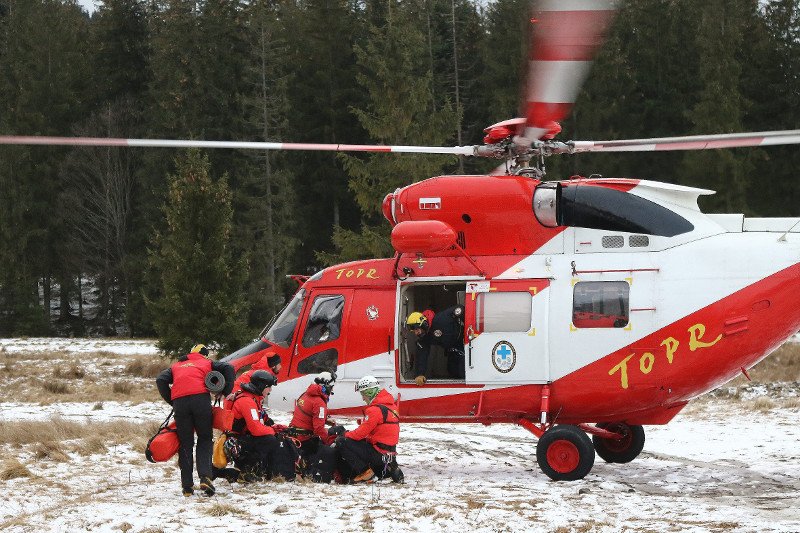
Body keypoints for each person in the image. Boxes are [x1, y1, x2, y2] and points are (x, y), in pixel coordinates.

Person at [156, 343, 235, 497]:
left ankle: (187, 487)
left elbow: (160, 379)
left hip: (180, 403)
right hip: (200, 400)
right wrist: (224, 391)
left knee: (185, 443)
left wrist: (172, 400)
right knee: (205, 438)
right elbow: (229, 368)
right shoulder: (206, 362)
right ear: (204, 355)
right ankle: (205, 477)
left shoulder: (177, 366)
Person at [336, 375, 403, 484]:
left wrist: (345, 434)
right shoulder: (392, 407)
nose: (363, 398)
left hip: (378, 452)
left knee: (342, 442)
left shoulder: (375, 410)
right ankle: (389, 469)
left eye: (363, 394)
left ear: (369, 392)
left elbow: (360, 434)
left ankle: (365, 473)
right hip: (390, 453)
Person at [229, 369, 279, 481]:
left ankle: (253, 468)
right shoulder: (248, 401)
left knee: (269, 438)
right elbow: (255, 429)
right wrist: (272, 431)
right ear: (262, 386)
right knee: (269, 440)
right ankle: (246, 469)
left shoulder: (253, 398)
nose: (270, 390)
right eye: (269, 387)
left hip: (241, 438)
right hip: (236, 442)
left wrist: (272, 426)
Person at [288, 371, 343, 458]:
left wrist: (325, 420)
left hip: (294, 436)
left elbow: (308, 415)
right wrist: (330, 442)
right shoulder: (319, 402)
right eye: (332, 387)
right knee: (332, 453)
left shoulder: (305, 394)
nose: (332, 390)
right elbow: (318, 428)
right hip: (305, 440)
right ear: (326, 387)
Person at [407, 306, 465, 385]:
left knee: (463, 372)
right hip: (452, 350)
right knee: (453, 371)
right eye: (414, 331)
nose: (416, 333)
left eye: (417, 330)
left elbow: (459, 309)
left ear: (423, 324)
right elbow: (422, 355)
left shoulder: (441, 318)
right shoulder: (424, 338)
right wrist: (420, 374)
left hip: (466, 344)